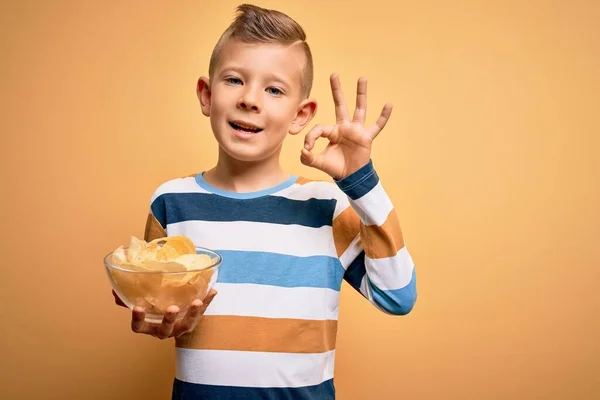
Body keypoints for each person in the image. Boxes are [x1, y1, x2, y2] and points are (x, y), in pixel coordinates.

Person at [112, 3, 417, 399]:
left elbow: (397, 296)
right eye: (235, 80)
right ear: (206, 95)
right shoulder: (171, 203)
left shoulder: (326, 205)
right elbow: (166, 311)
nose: (250, 100)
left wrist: (361, 180)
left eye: (274, 89)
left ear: (300, 114)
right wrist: (158, 318)